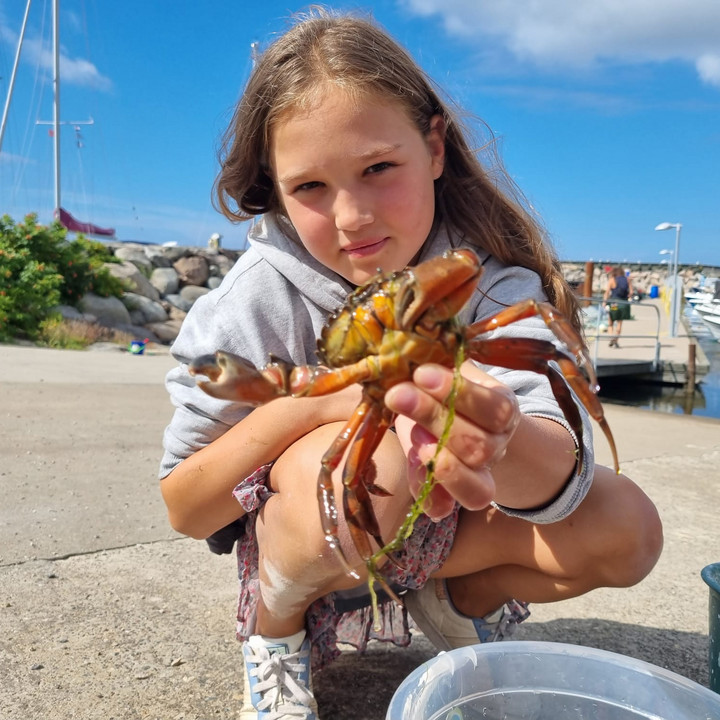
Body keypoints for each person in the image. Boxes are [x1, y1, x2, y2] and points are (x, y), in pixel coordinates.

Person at [158, 10, 662, 719]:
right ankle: (275, 631)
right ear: (274, 188)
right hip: (312, 527)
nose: (353, 215)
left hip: (448, 533)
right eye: (310, 188)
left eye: (378, 169)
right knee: (384, 463)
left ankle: (458, 603)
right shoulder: (254, 302)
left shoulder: (481, 284)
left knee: (628, 527)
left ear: (434, 147)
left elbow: (561, 474)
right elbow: (184, 505)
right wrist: (318, 402)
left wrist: (504, 431)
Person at [604, 267, 633, 347]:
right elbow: (631, 292)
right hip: (623, 304)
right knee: (619, 323)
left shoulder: (612, 280)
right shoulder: (627, 280)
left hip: (614, 304)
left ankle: (611, 338)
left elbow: (607, 292)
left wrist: (604, 302)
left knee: (611, 322)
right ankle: (616, 340)